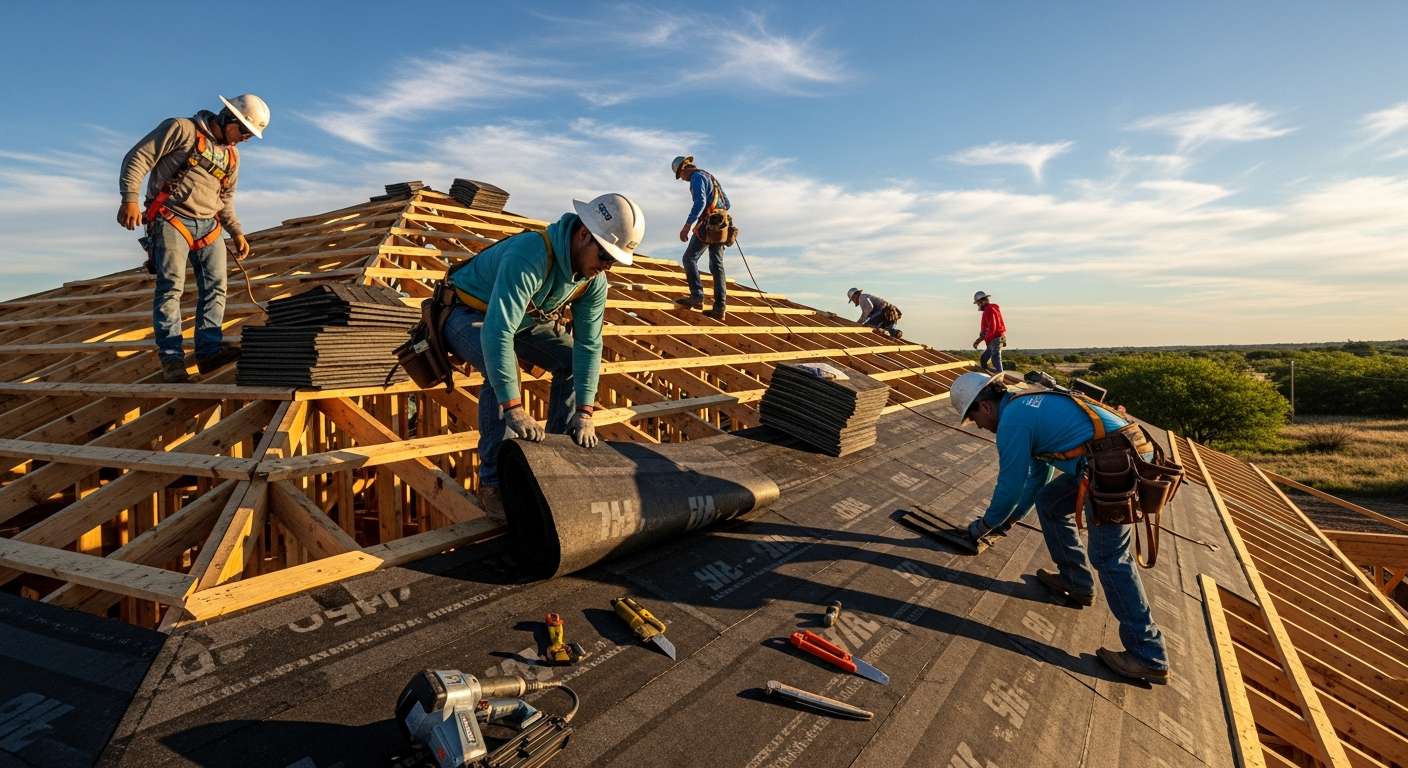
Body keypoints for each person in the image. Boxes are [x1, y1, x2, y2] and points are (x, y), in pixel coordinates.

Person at [947, 371, 1170, 684]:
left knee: (1109, 557)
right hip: (1111, 458)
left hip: (1116, 466)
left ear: (984, 407)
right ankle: (1076, 581)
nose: (980, 427)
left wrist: (983, 525)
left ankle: (1148, 654)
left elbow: (1009, 487)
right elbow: (1037, 478)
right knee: (1051, 502)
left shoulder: (1012, 422)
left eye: (974, 419)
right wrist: (1009, 521)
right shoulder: (1023, 405)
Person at [440, 193, 644, 521]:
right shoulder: (531, 254)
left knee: (569, 359)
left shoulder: (593, 281)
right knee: (500, 372)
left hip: (519, 319)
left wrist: (585, 411)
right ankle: (493, 482)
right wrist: (514, 408)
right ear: (582, 234)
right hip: (465, 312)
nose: (606, 267)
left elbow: (589, 346)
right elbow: (496, 333)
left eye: (613, 262)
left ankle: (558, 464)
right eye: (604, 256)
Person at [119, 95, 270, 383]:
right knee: (171, 287)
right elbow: (137, 157)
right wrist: (129, 200)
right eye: (245, 132)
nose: (246, 139)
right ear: (228, 117)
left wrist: (236, 231)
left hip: (209, 226)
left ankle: (209, 353)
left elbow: (225, 198)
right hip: (171, 218)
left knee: (216, 288)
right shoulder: (182, 129)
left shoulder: (231, 156)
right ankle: (173, 360)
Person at [670, 156, 730, 320]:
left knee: (689, 258)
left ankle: (696, 295)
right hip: (721, 223)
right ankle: (719, 308)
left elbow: (700, 202)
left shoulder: (696, 178)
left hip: (708, 223)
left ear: (683, 169)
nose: (682, 179)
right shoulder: (710, 176)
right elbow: (727, 203)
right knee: (717, 266)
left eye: (680, 176)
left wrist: (687, 225)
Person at [972, 291, 1005, 373]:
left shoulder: (990, 310)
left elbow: (992, 327)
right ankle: (991, 372)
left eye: (979, 303)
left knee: (995, 357)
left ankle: (999, 373)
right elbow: (984, 330)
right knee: (983, 360)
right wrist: (977, 341)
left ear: (983, 301)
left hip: (996, 337)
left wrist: (987, 338)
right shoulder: (988, 311)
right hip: (994, 338)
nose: (979, 305)